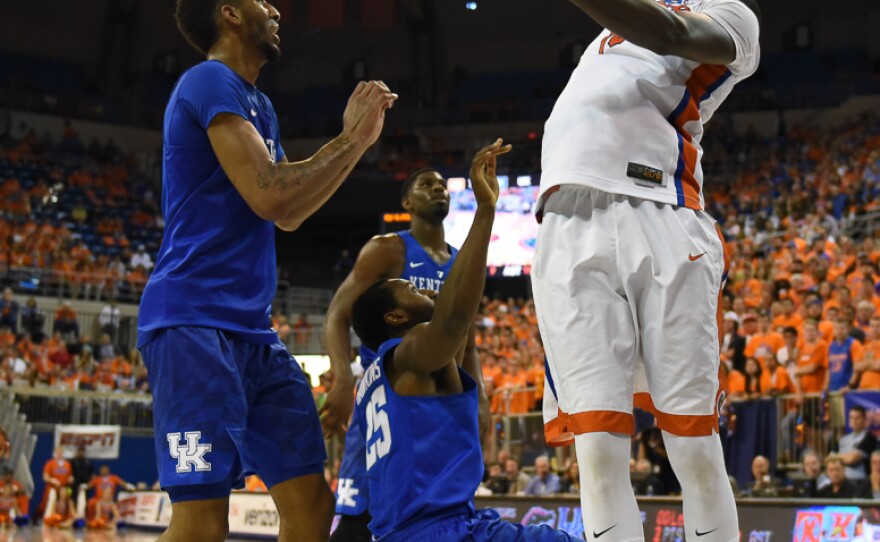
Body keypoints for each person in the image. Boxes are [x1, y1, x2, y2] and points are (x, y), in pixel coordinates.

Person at [136, 0, 397, 540]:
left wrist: (361, 143)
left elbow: (291, 215)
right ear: (229, 13)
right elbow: (268, 195)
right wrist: (348, 139)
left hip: (254, 334)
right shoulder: (209, 80)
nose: (276, 9)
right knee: (202, 523)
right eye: (261, 1)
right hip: (193, 324)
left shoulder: (260, 103)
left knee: (311, 503)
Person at [533, 0, 761, 539]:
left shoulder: (735, 17)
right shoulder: (605, 35)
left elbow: (671, 30)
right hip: (566, 218)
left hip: (660, 210)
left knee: (692, 443)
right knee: (596, 448)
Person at [350, 141, 573, 541]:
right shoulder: (411, 348)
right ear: (396, 317)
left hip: (422, 524)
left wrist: (480, 396)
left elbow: (459, 338)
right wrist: (486, 209)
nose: (429, 291)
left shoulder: (377, 377)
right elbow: (454, 322)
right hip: (433, 530)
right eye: (412, 290)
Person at [324, 167, 489, 541]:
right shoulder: (388, 250)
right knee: (357, 517)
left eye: (442, 185)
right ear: (406, 203)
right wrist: (343, 377)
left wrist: (480, 397)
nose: (438, 190)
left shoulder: (460, 259)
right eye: (426, 185)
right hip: (390, 394)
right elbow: (337, 313)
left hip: (435, 407)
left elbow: (467, 334)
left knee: (433, 515)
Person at [835, 405, 877, 482]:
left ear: (864, 420)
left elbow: (852, 459)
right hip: (843, 481)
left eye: (857, 418)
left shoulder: (869, 438)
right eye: (851, 418)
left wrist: (838, 457)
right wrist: (842, 457)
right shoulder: (844, 439)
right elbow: (832, 459)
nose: (853, 421)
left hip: (861, 481)